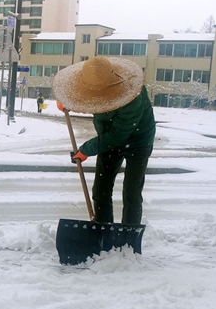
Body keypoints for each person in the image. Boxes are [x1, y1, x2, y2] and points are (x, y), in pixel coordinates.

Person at [53, 56, 156, 226]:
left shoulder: (131, 95)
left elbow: (117, 136)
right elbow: (87, 99)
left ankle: (128, 233)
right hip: (109, 139)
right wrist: (69, 102)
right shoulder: (95, 84)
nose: (97, 96)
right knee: (100, 190)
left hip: (138, 141)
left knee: (132, 192)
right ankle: (103, 229)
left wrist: (86, 149)